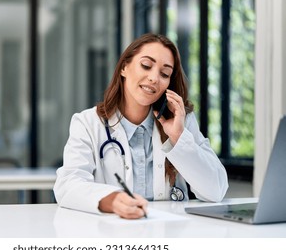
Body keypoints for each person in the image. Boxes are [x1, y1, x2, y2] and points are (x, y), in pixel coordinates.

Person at [53, 33, 228, 219]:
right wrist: (113, 200)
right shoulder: (88, 123)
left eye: (165, 73)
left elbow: (215, 190)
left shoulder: (181, 121)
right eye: (146, 65)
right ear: (124, 68)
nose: (154, 78)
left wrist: (178, 138)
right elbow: (68, 185)